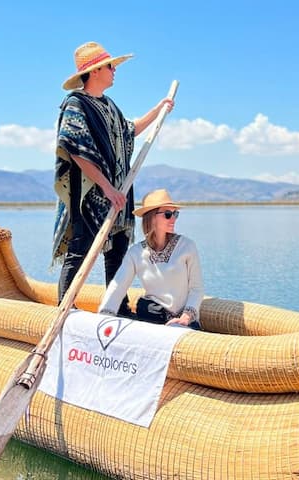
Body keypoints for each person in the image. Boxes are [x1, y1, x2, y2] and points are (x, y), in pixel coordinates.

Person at [52, 41, 174, 303]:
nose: (114, 71)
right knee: (80, 251)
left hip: (118, 195)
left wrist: (159, 110)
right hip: (89, 196)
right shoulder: (76, 104)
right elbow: (75, 149)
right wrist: (107, 188)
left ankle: (115, 308)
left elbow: (129, 130)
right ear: (95, 71)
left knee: (117, 253)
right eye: (111, 66)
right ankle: (65, 310)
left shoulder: (109, 106)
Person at [98, 189, 204, 330]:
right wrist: (104, 315)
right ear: (152, 217)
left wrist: (185, 318)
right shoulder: (136, 252)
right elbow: (118, 287)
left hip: (185, 323)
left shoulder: (187, 246)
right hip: (152, 320)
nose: (173, 219)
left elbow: (196, 289)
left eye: (175, 214)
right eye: (168, 214)